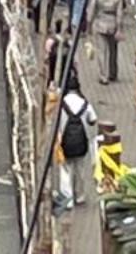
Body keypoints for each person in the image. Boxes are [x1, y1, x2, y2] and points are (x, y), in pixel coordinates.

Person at [58, 74, 98, 207]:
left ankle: (67, 198)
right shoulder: (85, 104)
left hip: (65, 142)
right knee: (80, 169)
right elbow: (93, 120)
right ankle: (80, 196)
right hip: (81, 143)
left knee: (65, 169)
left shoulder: (61, 103)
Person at [87, 0, 125, 84]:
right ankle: (113, 73)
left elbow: (91, 12)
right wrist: (119, 29)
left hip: (100, 23)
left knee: (101, 51)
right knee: (113, 51)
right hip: (112, 23)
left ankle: (103, 76)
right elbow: (119, 15)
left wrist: (89, 26)